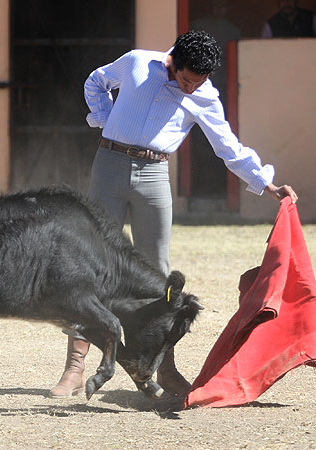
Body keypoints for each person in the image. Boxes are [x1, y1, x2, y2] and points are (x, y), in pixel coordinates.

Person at [48, 30, 298, 398]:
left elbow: (228, 146)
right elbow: (97, 80)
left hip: (154, 176)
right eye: (185, 81)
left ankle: (162, 367)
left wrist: (266, 185)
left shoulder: (204, 95)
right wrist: (103, 118)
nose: (191, 90)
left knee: (159, 275)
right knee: (90, 263)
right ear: (172, 62)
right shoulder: (136, 62)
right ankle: (74, 367)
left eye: (199, 83)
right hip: (109, 166)